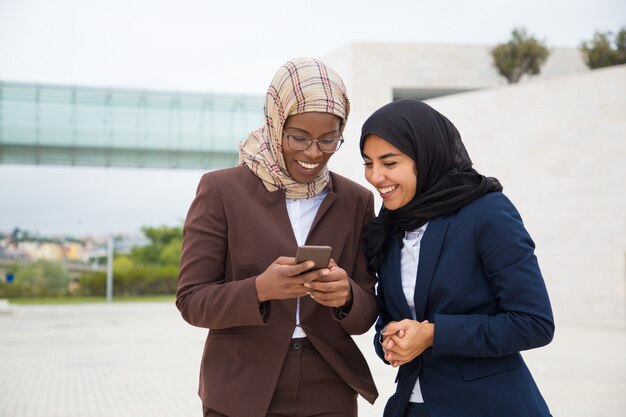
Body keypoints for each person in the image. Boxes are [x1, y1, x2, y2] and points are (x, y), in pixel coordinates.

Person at [176, 57, 379, 417]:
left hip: (328, 389)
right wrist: (260, 289)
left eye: (329, 140)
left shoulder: (356, 200)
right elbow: (192, 301)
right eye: (298, 137)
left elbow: (365, 314)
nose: (313, 153)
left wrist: (347, 296)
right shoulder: (221, 190)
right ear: (275, 123)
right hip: (240, 390)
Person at [359, 99, 554, 417]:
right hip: (411, 406)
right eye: (368, 163)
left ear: (425, 157)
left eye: (389, 163)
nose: (375, 176)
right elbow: (389, 320)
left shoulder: (487, 213)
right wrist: (391, 341)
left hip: (488, 406)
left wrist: (434, 335)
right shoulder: (391, 225)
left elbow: (534, 323)